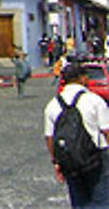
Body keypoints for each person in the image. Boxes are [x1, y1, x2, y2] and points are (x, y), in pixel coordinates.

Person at [44, 62, 109, 207]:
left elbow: (49, 138)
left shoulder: (53, 105)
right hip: (97, 156)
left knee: (78, 200)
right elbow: (106, 131)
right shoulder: (95, 100)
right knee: (101, 199)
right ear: (82, 78)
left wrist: (56, 162)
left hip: (69, 158)